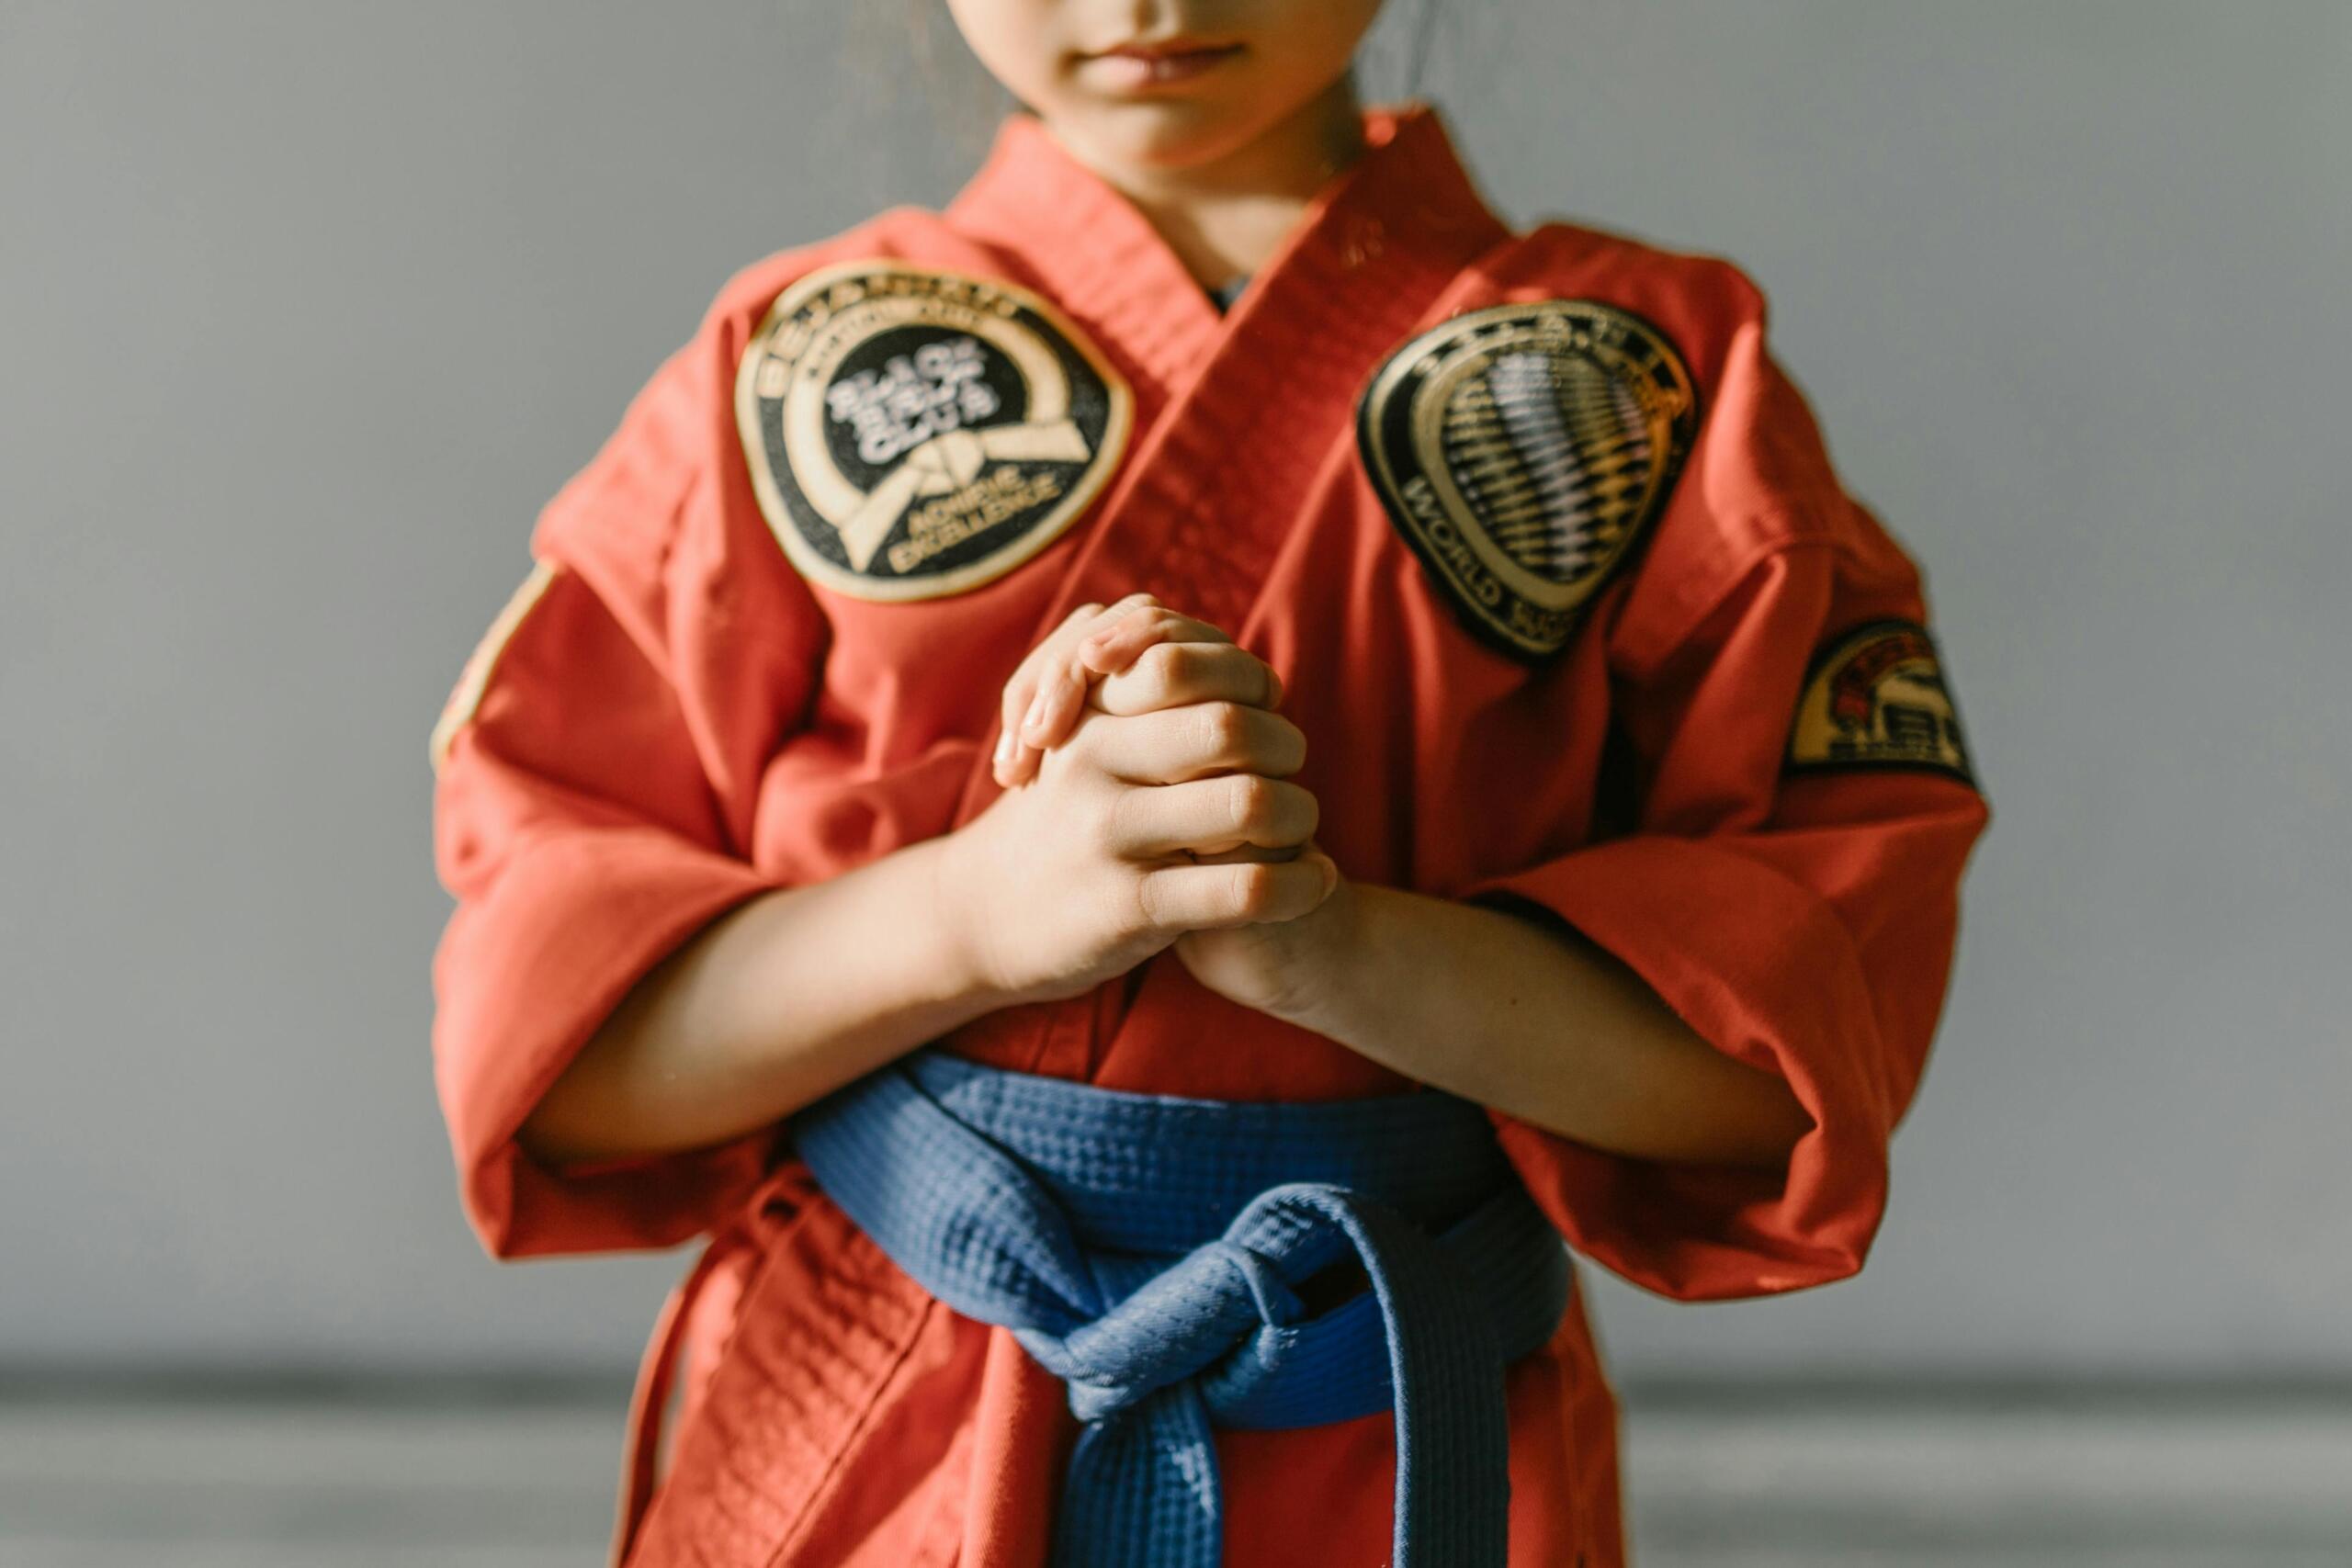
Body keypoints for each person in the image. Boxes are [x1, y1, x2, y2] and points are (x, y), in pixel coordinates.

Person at [425, 2, 1990, 1564]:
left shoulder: (1652, 382)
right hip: (885, 1407)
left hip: (1394, 1414)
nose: (1146, 3)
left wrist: (1340, 951)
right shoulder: (791, 368)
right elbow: (564, 1051)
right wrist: (972, 917)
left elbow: (1786, 1073)